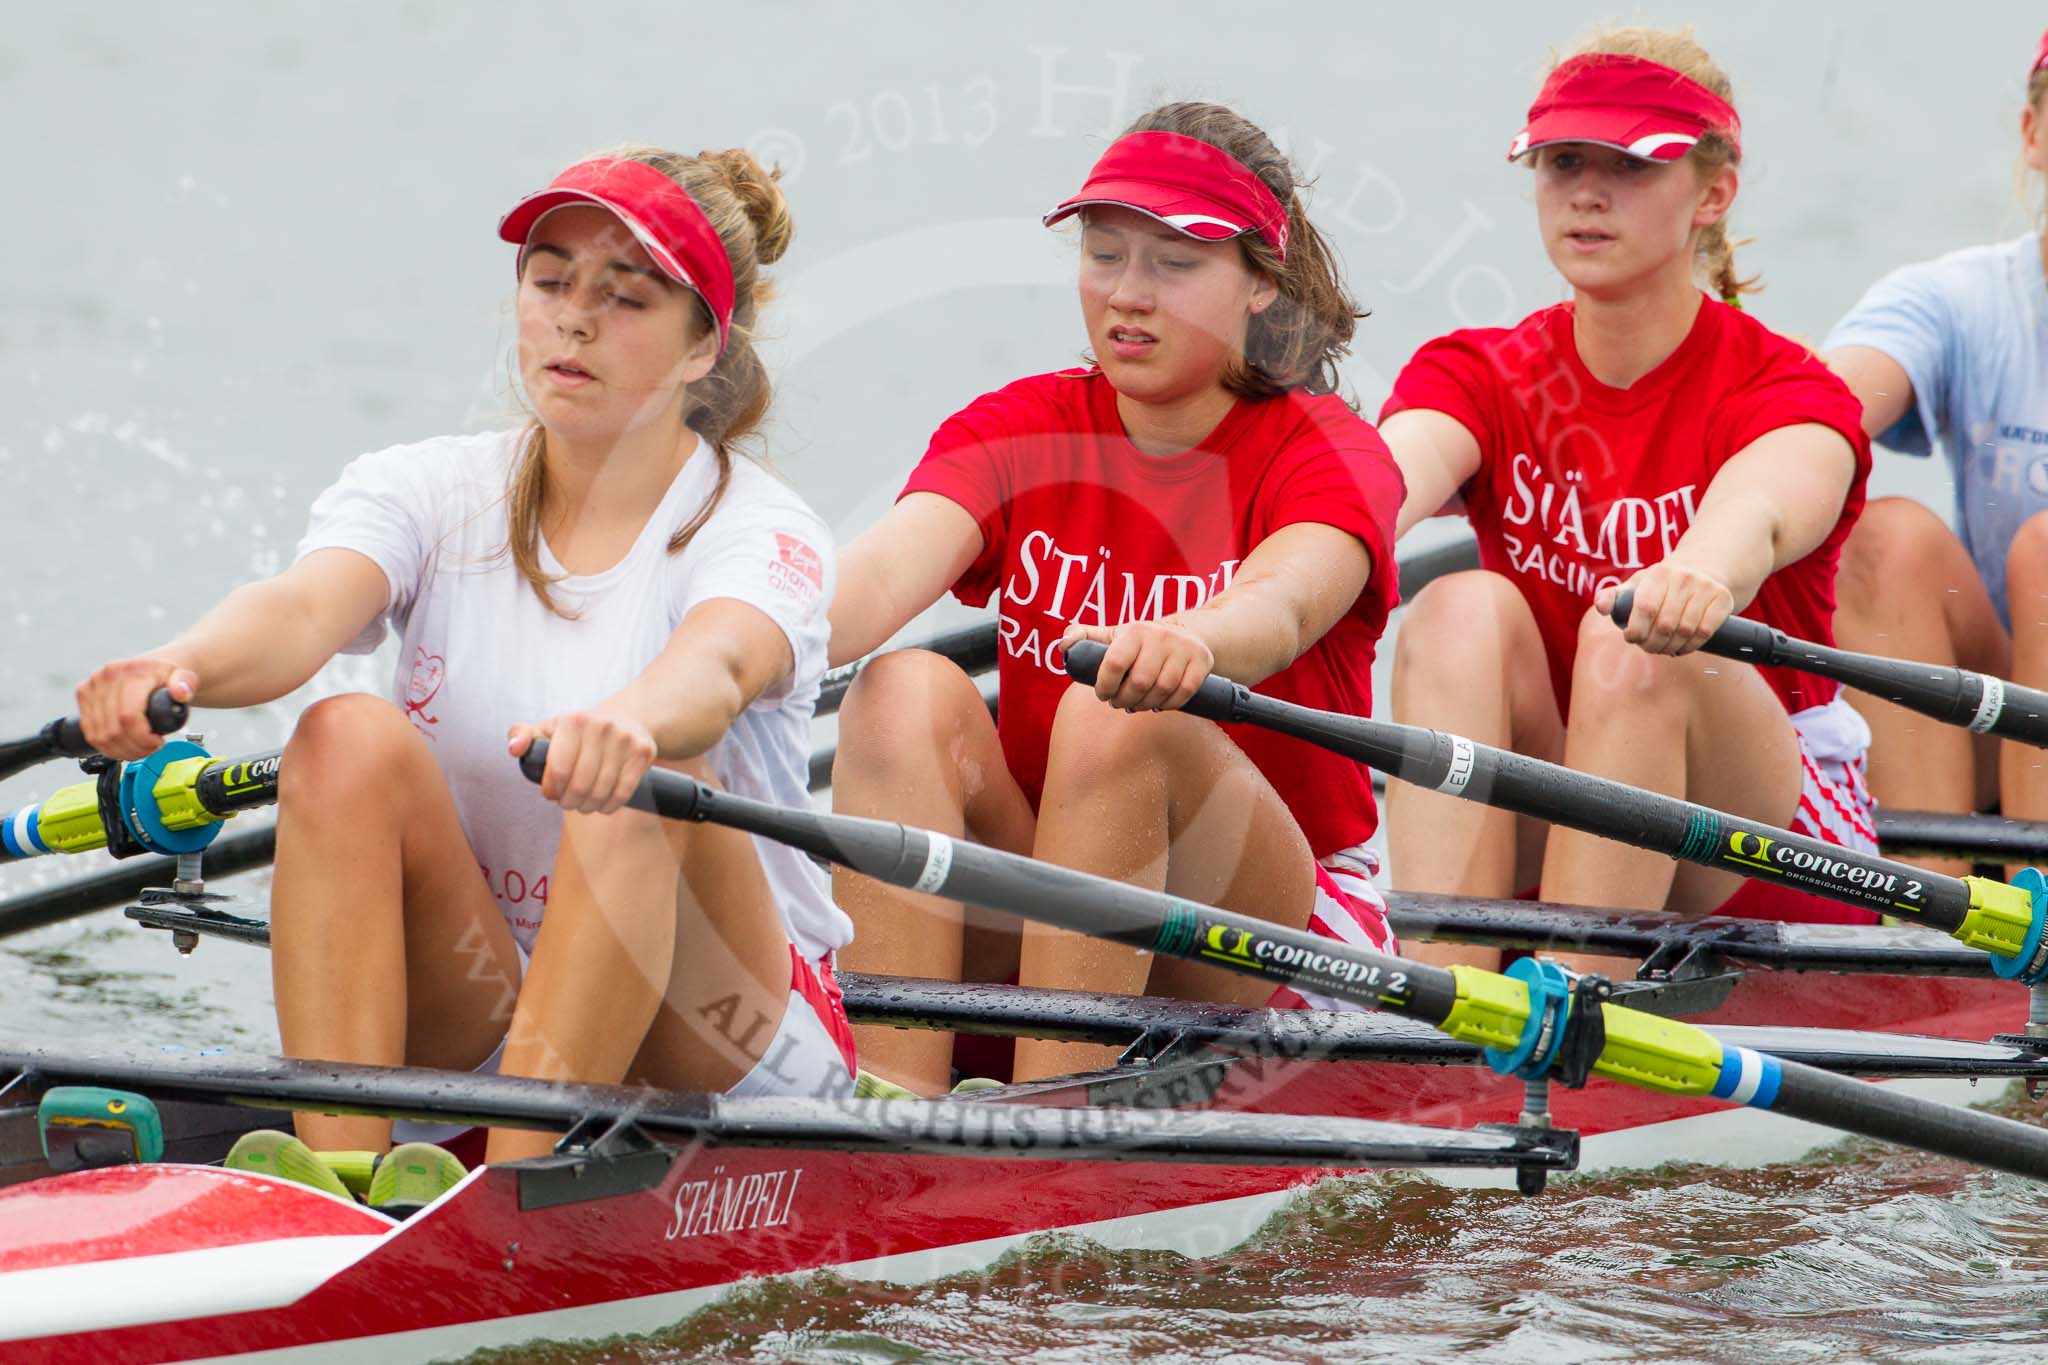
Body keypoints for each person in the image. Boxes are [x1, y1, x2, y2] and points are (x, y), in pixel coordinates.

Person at [73, 148, 854, 1208]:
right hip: (488, 995)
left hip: (722, 1034)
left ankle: (509, 1206)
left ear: (700, 348)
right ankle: (339, 1178)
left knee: (647, 772)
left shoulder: (757, 527)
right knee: (343, 732)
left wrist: (627, 721)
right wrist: (183, 663)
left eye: (623, 299)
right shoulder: (428, 488)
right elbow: (303, 610)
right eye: (548, 283)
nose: (572, 321)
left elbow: (716, 665)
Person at [828, 102, 1405, 1096]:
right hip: (1070, 894)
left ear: (1261, 281)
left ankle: (1050, 1116)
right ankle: (888, 1102)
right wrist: (708, 656)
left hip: (1273, 940)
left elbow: (1283, 602)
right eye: (1103, 254)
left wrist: (1195, 638)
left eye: (1174, 263)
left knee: (1115, 714)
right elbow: (875, 578)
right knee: (898, 689)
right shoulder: (1018, 427)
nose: (1126, 295)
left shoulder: (1324, 452)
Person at [1379, 27, 1877, 969]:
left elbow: (1761, 508)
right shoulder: (1478, 371)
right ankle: (1441, 1003)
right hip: (1583, 793)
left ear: (1714, 192)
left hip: (1780, 848)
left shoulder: (1791, 394)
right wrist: (1248, 584)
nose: (1588, 192)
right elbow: (1371, 492)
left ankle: (1575, 1008)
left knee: (1634, 634)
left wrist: (1701, 569)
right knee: (1452, 606)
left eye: (1630, 164)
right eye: (1563, 161)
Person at [1822, 30, 2048, 877]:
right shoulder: (1956, 300)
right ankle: (1939, 928)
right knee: (1883, 538)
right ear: (2033, 136)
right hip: (2015, 709)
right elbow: (1821, 410)